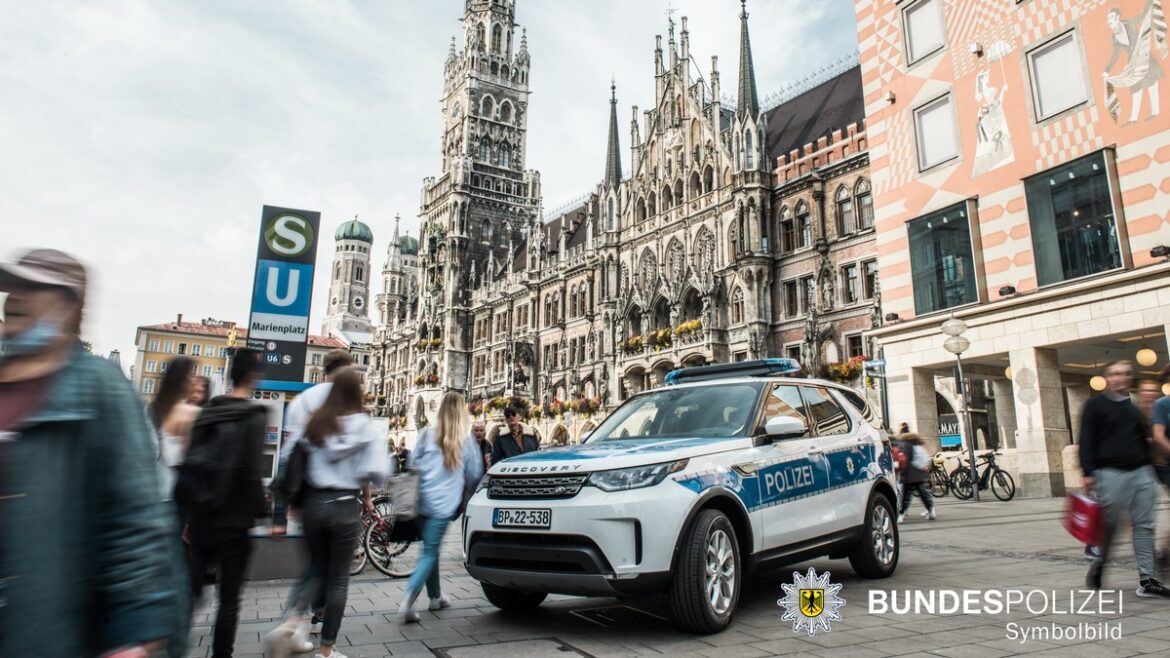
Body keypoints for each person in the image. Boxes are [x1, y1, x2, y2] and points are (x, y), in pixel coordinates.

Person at [0, 248, 187, 657]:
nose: (15, 298)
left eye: (34, 288)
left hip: (49, 627)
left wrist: (137, 630)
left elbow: (134, 517)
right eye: (13, 287)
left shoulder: (98, 387)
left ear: (69, 306)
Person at [294, 367, 389, 658]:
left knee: (315, 572)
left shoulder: (315, 422)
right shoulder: (362, 425)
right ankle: (326, 650)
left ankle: (292, 625)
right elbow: (378, 470)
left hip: (313, 506)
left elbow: (296, 458)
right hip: (343, 506)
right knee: (337, 580)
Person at [265, 348, 355, 656]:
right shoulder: (347, 399)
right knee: (335, 574)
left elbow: (290, 451)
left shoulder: (304, 400)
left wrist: (291, 497)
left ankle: (296, 624)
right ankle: (322, 644)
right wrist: (366, 497)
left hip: (309, 495)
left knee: (314, 565)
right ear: (346, 370)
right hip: (341, 496)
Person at [182, 348, 269, 657]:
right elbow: (252, 472)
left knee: (192, 595)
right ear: (253, 376)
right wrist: (265, 511)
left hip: (202, 518)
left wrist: (189, 517)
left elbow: (191, 465)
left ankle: (173, 647)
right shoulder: (254, 415)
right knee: (229, 600)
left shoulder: (207, 411)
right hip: (235, 522)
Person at [1081, 360, 1170, 596]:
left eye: (1126, 374)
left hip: (1142, 471)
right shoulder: (1095, 405)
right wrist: (1088, 473)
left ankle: (1147, 580)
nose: (1121, 378)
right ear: (1107, 378)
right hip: (1110, 472)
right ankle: (1099, 565)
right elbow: (1086, 439)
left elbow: (1145, 439)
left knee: (1145, 526)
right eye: (1116, 374)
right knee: (1110, 526)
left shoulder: (1132, 408)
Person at [399, 391, 484, 622]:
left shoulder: (426, 434)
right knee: (429, 552)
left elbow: (411, 464)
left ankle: (436, 597)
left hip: (420, 501)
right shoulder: (466, 441)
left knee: (430, 549)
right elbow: (476, 474)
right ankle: (408, 599)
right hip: (444, 504)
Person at [149, 356, 201, 500]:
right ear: (182, 379)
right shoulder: (188, 412)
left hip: (150, 490)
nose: (195, 380)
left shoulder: (151, 409)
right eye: (192, 375)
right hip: (172, 493)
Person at [896, 432, 936, 523]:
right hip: (919, 473)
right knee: (923, 494)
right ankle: (931, 510)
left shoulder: (906, 445)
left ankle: (901, 515)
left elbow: (905, 459)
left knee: (906, 496)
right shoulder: (919, 445)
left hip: (909, 474)